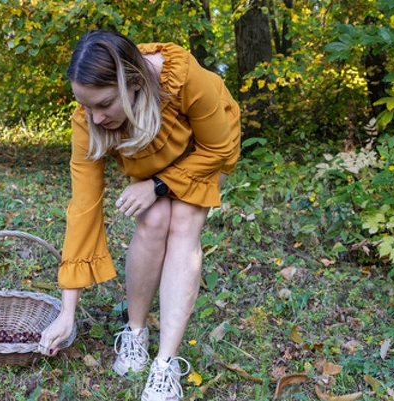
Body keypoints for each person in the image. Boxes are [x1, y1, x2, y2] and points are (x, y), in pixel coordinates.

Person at [38, 30, 241, 400]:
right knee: (152, 220)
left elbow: (218, 146)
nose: (96, 118)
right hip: (152, 148)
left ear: (132, 82)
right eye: (86, 106)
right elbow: (83, 210)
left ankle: (165, 366)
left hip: (207, 145)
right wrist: (67, 312)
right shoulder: (89, 122)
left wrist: (158, 186)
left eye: (103, 105)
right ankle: (135, 334)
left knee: (182, 220)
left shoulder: (181, 77)